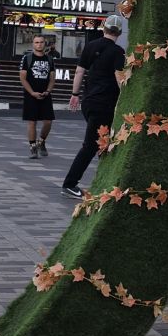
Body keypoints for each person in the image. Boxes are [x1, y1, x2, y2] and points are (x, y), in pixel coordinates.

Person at [61, 13, 126, 199]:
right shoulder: (118, 52)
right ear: (119, 32)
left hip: (88, 102)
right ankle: (69, 184)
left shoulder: (90, 46)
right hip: (104, 103)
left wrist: (75, 95)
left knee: (103, 142)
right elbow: (118, 78)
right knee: (91, 145)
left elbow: (80, 71)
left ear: (104, 28)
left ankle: (106, 182)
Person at [19, 33, 57, 159]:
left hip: (45, 95)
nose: (39, 44)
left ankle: (41, 142)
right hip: (31, 95)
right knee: (32, 122)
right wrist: (32, 93)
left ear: (44, 44)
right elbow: (23, 78)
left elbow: (52, 79)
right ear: (33, 44)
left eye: (41, 42)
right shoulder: (27, 58)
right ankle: (33, 148)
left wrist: (48, 91)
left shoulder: (49, 59)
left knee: (48, 122)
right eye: (36, 42)